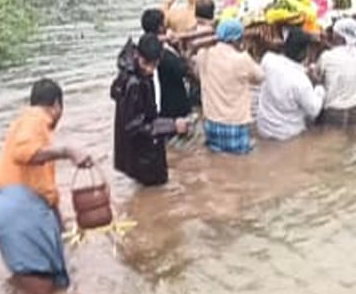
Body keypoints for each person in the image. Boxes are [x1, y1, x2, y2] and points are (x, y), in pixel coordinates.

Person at [0, 79, 94, 294]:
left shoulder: (21, 123)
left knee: (35, 290)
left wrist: (61, 227)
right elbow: (24, 152)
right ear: (56, 106)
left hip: (6, 211)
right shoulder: (35, 118)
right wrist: (67, 151)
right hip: (19, 214)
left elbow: (44, 189)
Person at [112, 34, 190, 186]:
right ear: (137, 55)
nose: (149, 69)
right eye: (145, 64)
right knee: (156, 188)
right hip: (142, 152)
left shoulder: (127, 72)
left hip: (135, 150)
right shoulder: (134, 84)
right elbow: (135, 125)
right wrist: (172, 125)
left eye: (153, 65)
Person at [194, 19, 264, 154]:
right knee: (241, 168)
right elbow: (260, 77)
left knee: (216, 160)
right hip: (235, 125)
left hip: (211, 124)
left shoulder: (204, 54)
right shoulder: (242, 59)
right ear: (237, 40)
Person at [118, 9, 193, 120]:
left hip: (159, 112)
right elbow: (186, 71)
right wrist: (180, 49)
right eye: (164, 24)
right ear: (160, 28)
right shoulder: (167, 57)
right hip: (172, 111)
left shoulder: (142, 49)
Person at [257, 29, 325, 141]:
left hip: (264, 129)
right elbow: (314, 110)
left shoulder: (267, 60)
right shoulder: (302, 82)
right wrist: (319, 86)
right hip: (288, 135)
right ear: (305, 52)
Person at [318, 18, 356, 128]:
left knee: (334, 143)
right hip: (353, 112)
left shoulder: (326, 57)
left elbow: (317, 76)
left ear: (338, 37)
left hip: (333, 112)